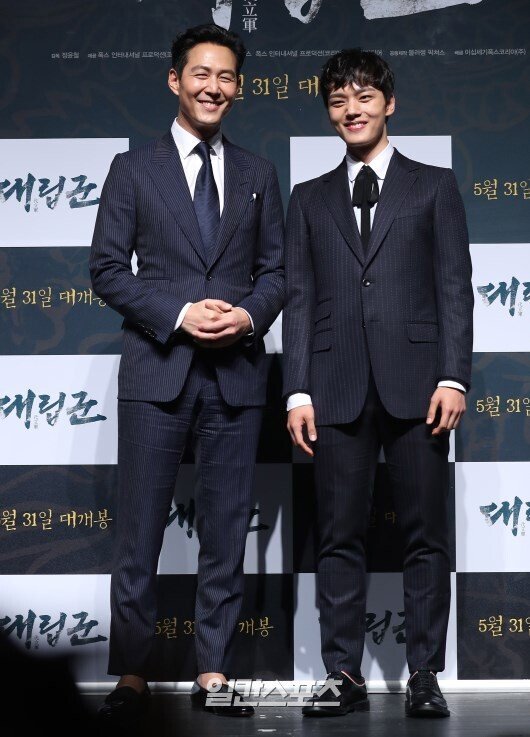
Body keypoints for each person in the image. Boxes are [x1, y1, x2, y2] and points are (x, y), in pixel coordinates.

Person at [89, 22, 284, 724]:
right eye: (201, 73)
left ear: (239, 88)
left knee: (226, 532)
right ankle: (133, 672)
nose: (213, 86)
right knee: (139, 531)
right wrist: (177, 313)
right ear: (176, 80)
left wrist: (248, 317)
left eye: (226, 76)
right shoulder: (133, 168)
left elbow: (277, 272)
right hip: (157, 370)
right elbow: (107, 270)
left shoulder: (259, 174)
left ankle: (213, 671)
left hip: (236, 375)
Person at [282, 48, 473, 718]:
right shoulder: (307, 198)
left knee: (426, 534)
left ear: (389, 103)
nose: (351, 109)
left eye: (363, 97)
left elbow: (454, 288)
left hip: (420, 384)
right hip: (334, 385)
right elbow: (298, 299)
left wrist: (454, 375)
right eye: (338, 100)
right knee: (338, 535)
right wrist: (297, 389)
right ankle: (342, 671)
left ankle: (424, 672)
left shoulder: (434, 186)